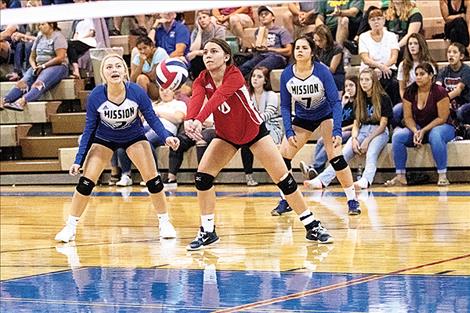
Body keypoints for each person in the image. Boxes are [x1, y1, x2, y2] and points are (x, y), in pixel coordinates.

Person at [184, 38, 333, 250]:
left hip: (254, 132)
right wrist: (190, 119)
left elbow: (218, 98)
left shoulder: (234, 75)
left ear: (226, 57)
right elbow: (197, 98)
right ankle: (208, 231)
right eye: (205, 52)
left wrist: (199, 120)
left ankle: (312, 225)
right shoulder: (201, 78)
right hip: (227, 135)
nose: (207, 55)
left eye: (213, 51)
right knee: (202, 177)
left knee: (284, 179)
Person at [54, 53, 180, 243]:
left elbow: (152, 118)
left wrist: (166, 137)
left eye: (118, 66)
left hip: (134, 137)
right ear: (103, 74)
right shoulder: (96, 95)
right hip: (104, 139)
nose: (114, 70)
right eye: (109, 67)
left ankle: (164, 222)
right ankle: (70, 227)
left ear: (125, 71)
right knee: (85, 183)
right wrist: (78, 160)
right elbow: (89, 129)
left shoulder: (136, 91)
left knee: (153, 181)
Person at [274, 36, 361, 216]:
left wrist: (337, 130)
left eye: (304, 48)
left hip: (325, 115)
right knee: (283, 157)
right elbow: (284, 105)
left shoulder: (322, 71)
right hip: (303, 117)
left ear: (312, 52)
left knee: (335, 156)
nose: (299, 50)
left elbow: (336, 102)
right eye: (297, 47)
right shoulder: (287, 74)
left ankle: (352, 200)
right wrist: (289, 130)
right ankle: (285, 199)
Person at [307, 68, 392, 190]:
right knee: (343, 154)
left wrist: (367, 140)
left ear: (374, 81)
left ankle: (365, 180)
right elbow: (356, 123)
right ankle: (322, 180)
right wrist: (354, 139)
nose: (364, 82)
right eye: (362, 80)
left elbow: (383, 125)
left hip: (379, 132)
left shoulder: (383, 98)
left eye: (367, 80)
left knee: (371, 153)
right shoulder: (359, 99)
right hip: (362, 130)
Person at [385, 62, 455, 187]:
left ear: (431, 76)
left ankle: (442, 175)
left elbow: (442, 118)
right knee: (397, 137)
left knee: (435, 135)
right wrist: (415, 131)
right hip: (418, 127)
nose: (418, 77)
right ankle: (400, 176)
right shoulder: (410, 92)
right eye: (416, 74)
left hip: (443, 126)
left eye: (422, 74)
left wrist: (423, 131)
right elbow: (408, 117)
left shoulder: (440, 91)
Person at [1, 22, 68, 111]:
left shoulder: (58, 37)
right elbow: (32, 57)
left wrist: (44, 66)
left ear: (51, 25)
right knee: (22, 83)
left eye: (43, 24)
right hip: (38, 65)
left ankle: (22, 101)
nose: (40, 26)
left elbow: (60, 57)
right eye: (39, 24)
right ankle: (4, 100)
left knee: (39, 83)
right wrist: (34, 66)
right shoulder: (40, 37)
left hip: (56, 66)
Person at [300, 75, 357, 179]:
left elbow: (357, 124)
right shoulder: (344, 101)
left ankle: (316, 168)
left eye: (351, 85)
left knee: (329, 140)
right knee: (321, 140)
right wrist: (343, 104)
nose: (348, 88)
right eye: (346, 86)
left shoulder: (358, 103)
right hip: (339, 130)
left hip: (350, 131)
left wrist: (342, 129)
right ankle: (316, 167)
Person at [241, 66, 283, 186]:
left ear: (265, 80)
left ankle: (278, 175)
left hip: (271, 127)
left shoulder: (271, 95)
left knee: (257, 136)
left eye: (259, 77)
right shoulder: (247, 95)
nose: (255, 79)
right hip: (252, 127)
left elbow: (268, 114)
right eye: (253, 76)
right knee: (245, 142)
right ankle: (248, 176)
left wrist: (252, 121)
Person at [358, 8, 400, 105]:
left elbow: (394, 58)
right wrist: (379, 67)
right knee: (370, 80)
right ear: (369, 22)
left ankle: (391, 111)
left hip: (388, 69)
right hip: (369, 70)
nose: (376, 22)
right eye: (373, 20)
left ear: (384, 20)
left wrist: (383, 68)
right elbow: (365, 59)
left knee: (393, 83)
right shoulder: (363, 37)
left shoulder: (391, 36)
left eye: (379, 18)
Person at [239, 6, 292, 76]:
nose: (263, 16)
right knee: (243, 68)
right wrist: (255, 48)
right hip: (261, 56)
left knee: (258, 70)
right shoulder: (258, 31)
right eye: (261, 15)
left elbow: (289, 51)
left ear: (273, 17)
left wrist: (269, 49)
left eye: (266, 14)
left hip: (277, 57)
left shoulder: (281, 31)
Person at [436, 42, 470, 126]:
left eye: (454, 52)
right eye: (449, 52)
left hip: (465, 104)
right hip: (450, 104)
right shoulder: (443, 71)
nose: (451, 55)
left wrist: (443, 100)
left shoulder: (466, 70)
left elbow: (458, 91)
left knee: (460, 111)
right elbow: (437, 87)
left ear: (461, 56)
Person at [188, 10, 225, 80]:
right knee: (195, 59)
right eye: (199, 18)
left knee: (200, 56)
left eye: (204, 17)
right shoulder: (196, 31)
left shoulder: (219, 29)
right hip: (203, 57)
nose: (202, 20)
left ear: (210, 18)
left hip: (217, 57)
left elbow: (216, 48)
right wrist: (199, 32)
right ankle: (199, 82)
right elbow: (193, 49)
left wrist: (198, 52)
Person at [130, 36, 169, 101]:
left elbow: (153, 77)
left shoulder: (160, 53)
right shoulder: (138, 57)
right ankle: (143, 104)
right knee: (141, 78)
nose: (143, 51)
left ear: (151, 46)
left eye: (145, 48)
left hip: (164, 87)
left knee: (142, 77)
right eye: (140, 49)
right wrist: (141, 64)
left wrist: (142, 71)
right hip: (150, 87)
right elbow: (132, 80)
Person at [313, 24, 345, 92]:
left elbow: (331, 70)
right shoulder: (317, 48)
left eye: (320, 40)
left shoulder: (337, 49)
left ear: (327, 38)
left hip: (336, 76)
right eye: (315, 40)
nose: (318, 43)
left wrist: (318, 63)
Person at [68, 5, 97, 78]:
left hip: (88, 41)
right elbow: (76, 34)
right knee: (69, 44)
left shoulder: (90, 19)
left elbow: (92, 32)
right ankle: (75, 70)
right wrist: (75, 39)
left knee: (71, 45)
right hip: (78, 41)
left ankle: (76, 70)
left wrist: (81, 38)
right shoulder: (79, 23)